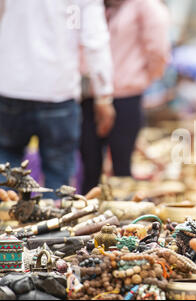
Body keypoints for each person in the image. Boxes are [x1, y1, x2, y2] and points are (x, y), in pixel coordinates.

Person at [0, 0, 114, 195]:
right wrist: (104, 96)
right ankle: (54, 224)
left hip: (12, 87)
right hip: (58, 92)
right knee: (57, 183)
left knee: (5, 173)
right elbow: (95, 41)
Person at [80, 0, 171, 194]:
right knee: (90, 170)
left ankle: (123, 220)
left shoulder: (145, 6)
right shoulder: (96, 5)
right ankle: (86, 219)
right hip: (90, 96)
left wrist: (141, 77)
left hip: (125, 96)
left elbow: (158, 50)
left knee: (121, 171)